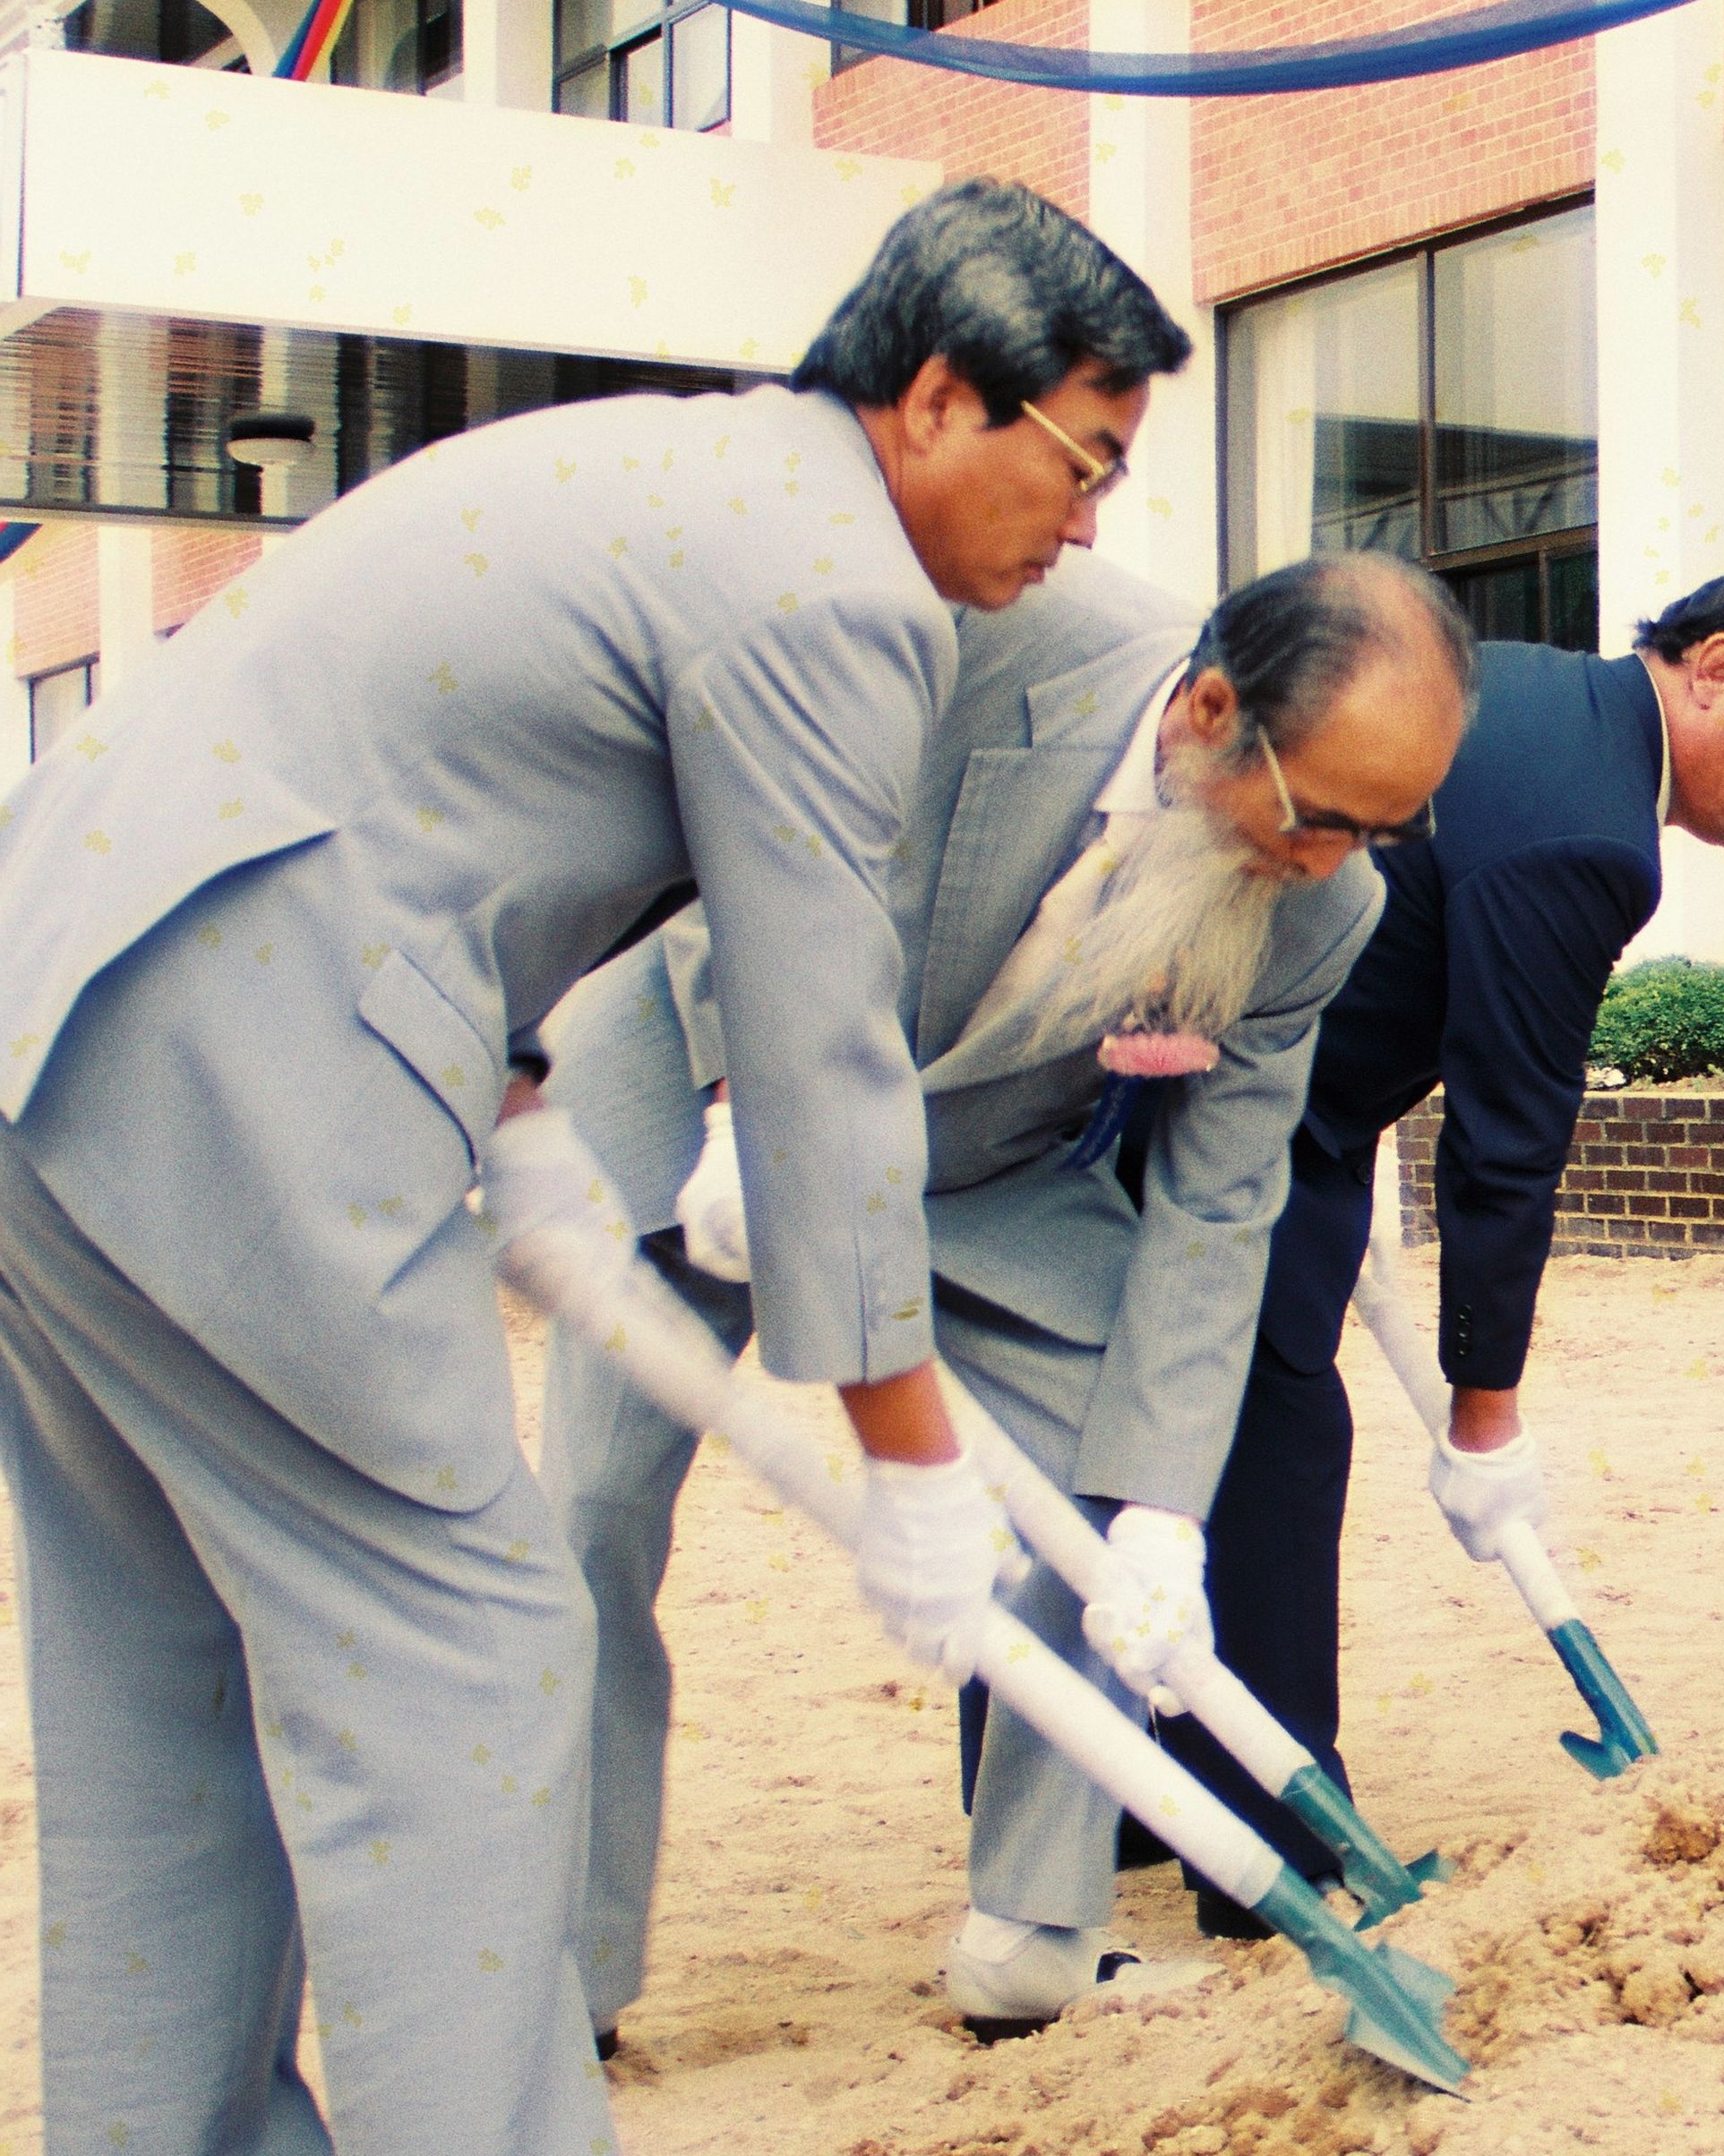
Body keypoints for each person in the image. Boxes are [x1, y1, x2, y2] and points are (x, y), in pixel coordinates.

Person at [0, 179, 1183, 2156]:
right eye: (1086, 452)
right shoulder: (839, 582)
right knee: (470, 1628)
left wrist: (523, 1090)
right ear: (938, 395)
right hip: (255, 1041)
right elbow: (828, 1043)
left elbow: (445, 767)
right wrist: (913, 1456)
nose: (1085, 511)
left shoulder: (668, 474)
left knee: (156, 1630)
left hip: (58, 999)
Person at [536, 549, 1468, 2040]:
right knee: (591, 1512)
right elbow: (758, 825)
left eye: (1385, 828)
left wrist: (1162, 1506)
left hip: (975, 1157)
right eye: (1318, 816)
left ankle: (1033, 1931)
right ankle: (560, 1981)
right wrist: (737, 1098)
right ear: (1206, 713)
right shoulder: (992, 632)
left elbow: (1219, 1199)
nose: (1332, 863)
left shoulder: (1327, 904)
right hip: (699, 1089)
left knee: (1128, 1437)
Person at [1184, 560, 1724, 1923]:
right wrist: (1485, 1417)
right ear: (1720, 666)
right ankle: (1274, 1842)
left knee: (1147, 1441)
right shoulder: (1590, 833)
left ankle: (1131, 1802)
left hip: (1268, 1097)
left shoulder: (1524, 684)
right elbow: (1508, 1134)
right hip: (1242, 1116)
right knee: (1275, 1434)